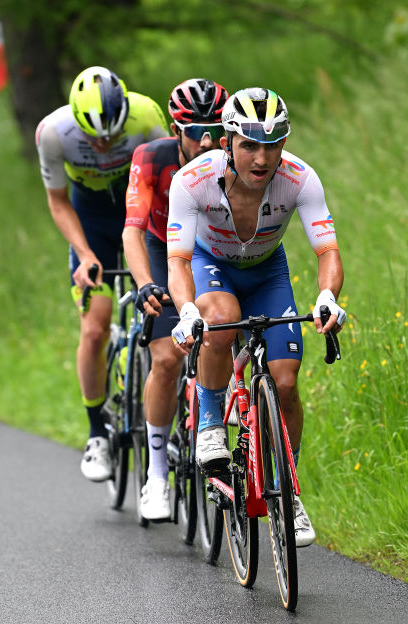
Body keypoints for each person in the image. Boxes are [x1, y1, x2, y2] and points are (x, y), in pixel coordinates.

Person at [166, 87, 347, 547]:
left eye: (272, 144)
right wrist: (187, 311)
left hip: (268, 271)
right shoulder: (192, 180)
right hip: (211, 264)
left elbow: (327, 250)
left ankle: (286, 492)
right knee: (221, 318)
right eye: (249, 144)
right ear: (227, 142)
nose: (262, 158)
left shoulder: (300, 178)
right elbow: (179, 262)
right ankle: (210, 421)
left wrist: (326, 295)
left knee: (285, 382)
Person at [35, 66, 168, 481]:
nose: (104, 143)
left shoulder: (146, 116)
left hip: (138, 212)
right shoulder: (52, 133)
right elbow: (58, 202)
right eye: (94, 137)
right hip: (90, 217)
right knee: (94, 329)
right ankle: (96, 434)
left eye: (111, 134)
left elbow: (167, 182)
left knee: (163, 312)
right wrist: (84, 252)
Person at [122, 78, 229, 520]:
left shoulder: (235, 159)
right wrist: (146, 283)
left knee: (225, 331)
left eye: (215, 130)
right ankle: (157, 473)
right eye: (193, 133)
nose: (206, 143)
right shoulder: (150, 158)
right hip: (160, 245)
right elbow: (132, 228)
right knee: (166, 358)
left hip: (206, 249)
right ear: (174, 129)